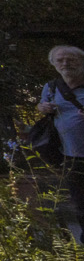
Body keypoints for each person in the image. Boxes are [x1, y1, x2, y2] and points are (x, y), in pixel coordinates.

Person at [38, 45, 84, 235]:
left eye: (71, 59)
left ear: (81, 62)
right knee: (80, 203)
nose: (65, 63)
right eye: (60, 60)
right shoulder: (50, 87)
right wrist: (42, 108)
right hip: (71, 156)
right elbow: (42, 107)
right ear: (54, 64)